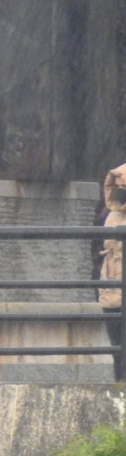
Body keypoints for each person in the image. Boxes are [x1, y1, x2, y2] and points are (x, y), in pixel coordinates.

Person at [98, 162, 126, 382]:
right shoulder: (111, 215)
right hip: (112, 294)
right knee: (118, 352)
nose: (119, 191)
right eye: (116, 186)